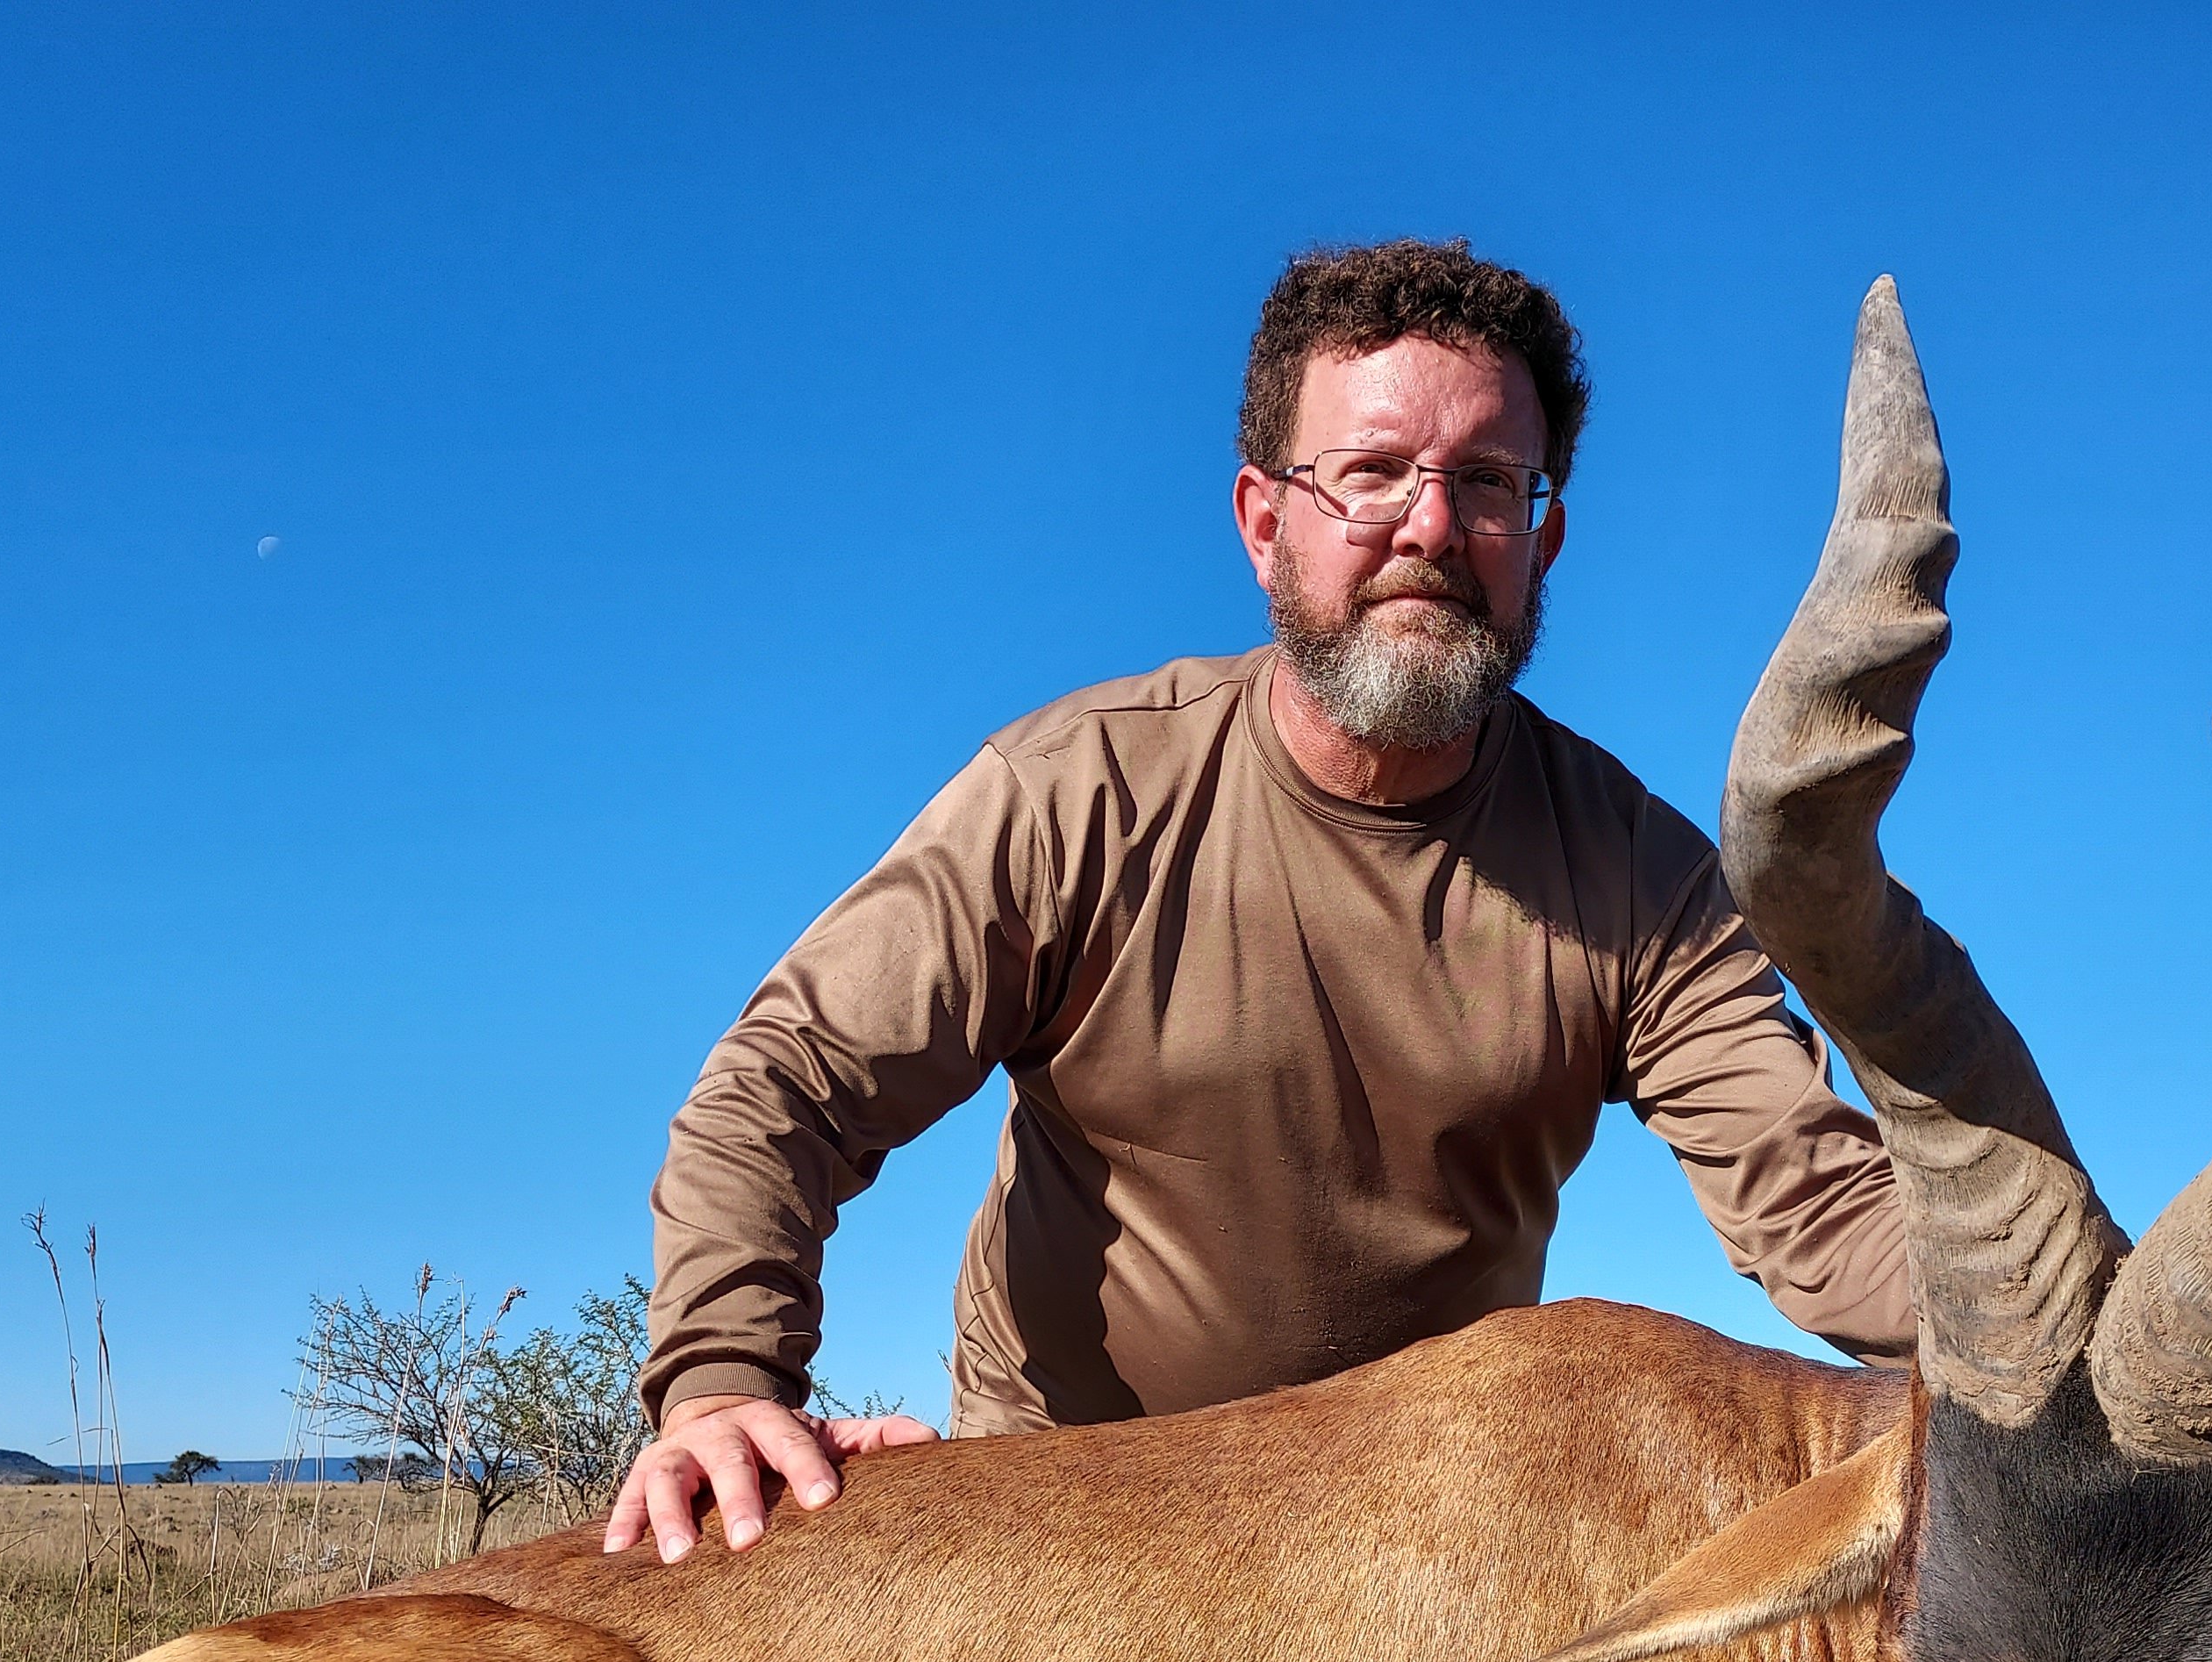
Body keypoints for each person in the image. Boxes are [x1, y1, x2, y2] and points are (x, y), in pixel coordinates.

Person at [608, 239, 1918, 1562]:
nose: (1427, 528)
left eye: (1485, 484)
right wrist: (723, 1379)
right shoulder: (1079, 793)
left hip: (1409, 1557)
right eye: (1369, 476)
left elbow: (1815, 1200)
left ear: (1544, 536)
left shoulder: (1640, 877)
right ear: (1262, 521)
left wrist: (2077, 1341)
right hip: (1064, 1519)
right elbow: (786, 1084)